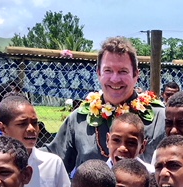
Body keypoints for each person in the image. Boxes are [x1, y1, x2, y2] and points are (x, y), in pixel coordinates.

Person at [44, 37, 166, 172]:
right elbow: (52, 162)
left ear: (136, 75)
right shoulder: (80, 118)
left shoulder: (159, 118)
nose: (115, 79)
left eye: (123, 71)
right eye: (108, 70)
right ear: (98, 73)